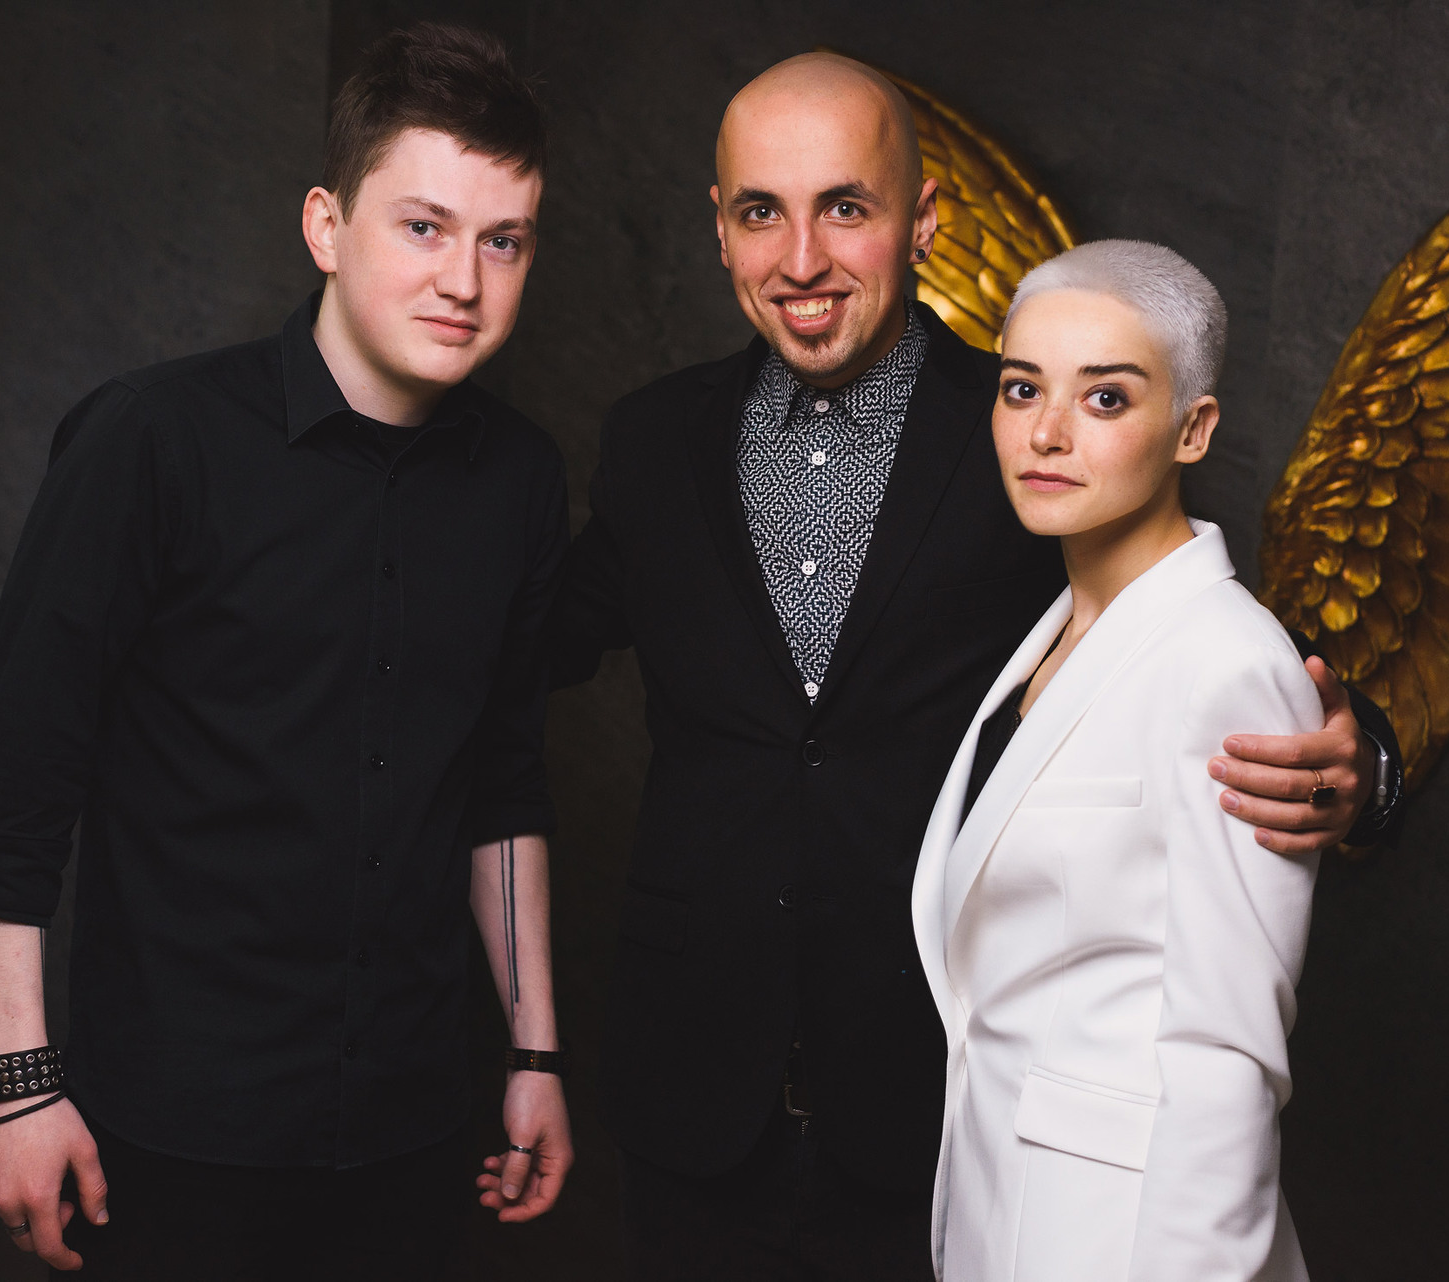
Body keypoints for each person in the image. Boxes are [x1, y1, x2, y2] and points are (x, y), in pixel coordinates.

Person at [552, 53, 1399, 1281]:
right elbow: (529, 634)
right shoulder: (651, 439)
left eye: (846, 206)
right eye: (762, 212)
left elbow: (1196, 633)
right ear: (720, 227)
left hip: (938, 1120)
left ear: (924, 220)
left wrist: (1362, 765)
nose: (801, 259)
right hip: (688, 1101)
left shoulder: (1031, 431)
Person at [0, 23, 571, 1277]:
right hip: (169, 1138)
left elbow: (503, 785)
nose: (465, 279)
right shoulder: (150, 442)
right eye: (424, 226)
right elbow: (16, 788)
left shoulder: (522, 481)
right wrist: (14, 1087)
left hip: (416, 1136)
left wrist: (535, 1051)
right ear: (327, 227)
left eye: (505, 241)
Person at [915, 241, 1317, 1281]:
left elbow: (1229, 1055)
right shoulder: (1052, 632)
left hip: (1131, 1240)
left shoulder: (1227, 662)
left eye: (1105, 398)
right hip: (1001, 1208)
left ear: (1194, 428)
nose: (1046, 432)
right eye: (1021, 388)